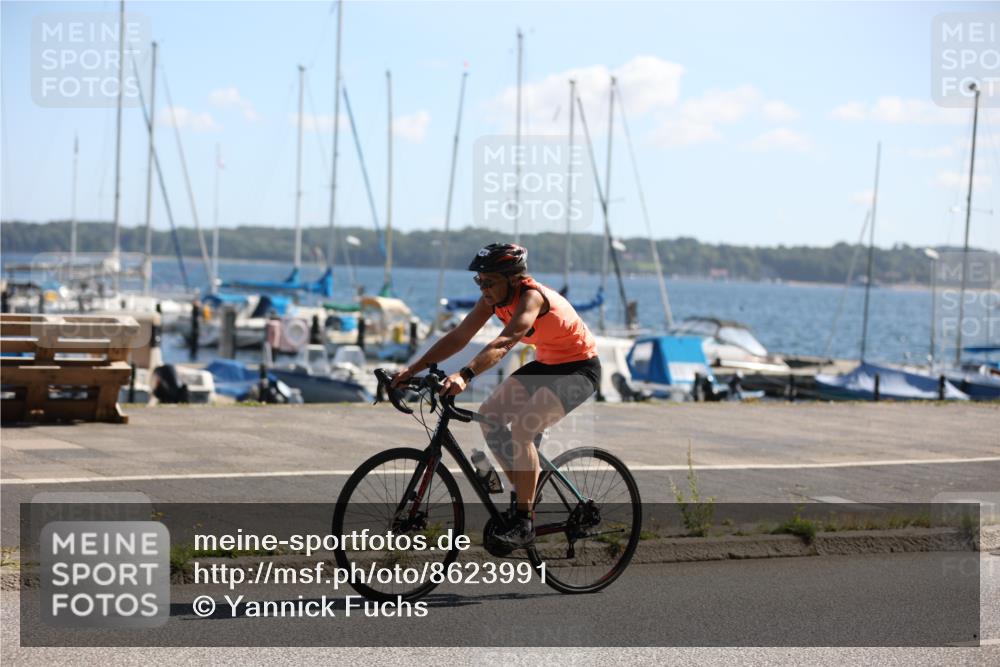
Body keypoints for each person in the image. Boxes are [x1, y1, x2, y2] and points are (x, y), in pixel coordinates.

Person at [391, 243, 601, 549]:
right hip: (548, 365)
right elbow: (459, 337)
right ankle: (526, 490)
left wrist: (464, 375)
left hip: (581, 369)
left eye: (489, 281)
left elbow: (503, 344)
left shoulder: (531, 298)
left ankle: (524, 522)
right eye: (479, 281)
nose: (483, 288)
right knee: (490, 417)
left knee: (523, 429)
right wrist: (411, 371)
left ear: (513, 279)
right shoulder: (492, 299)